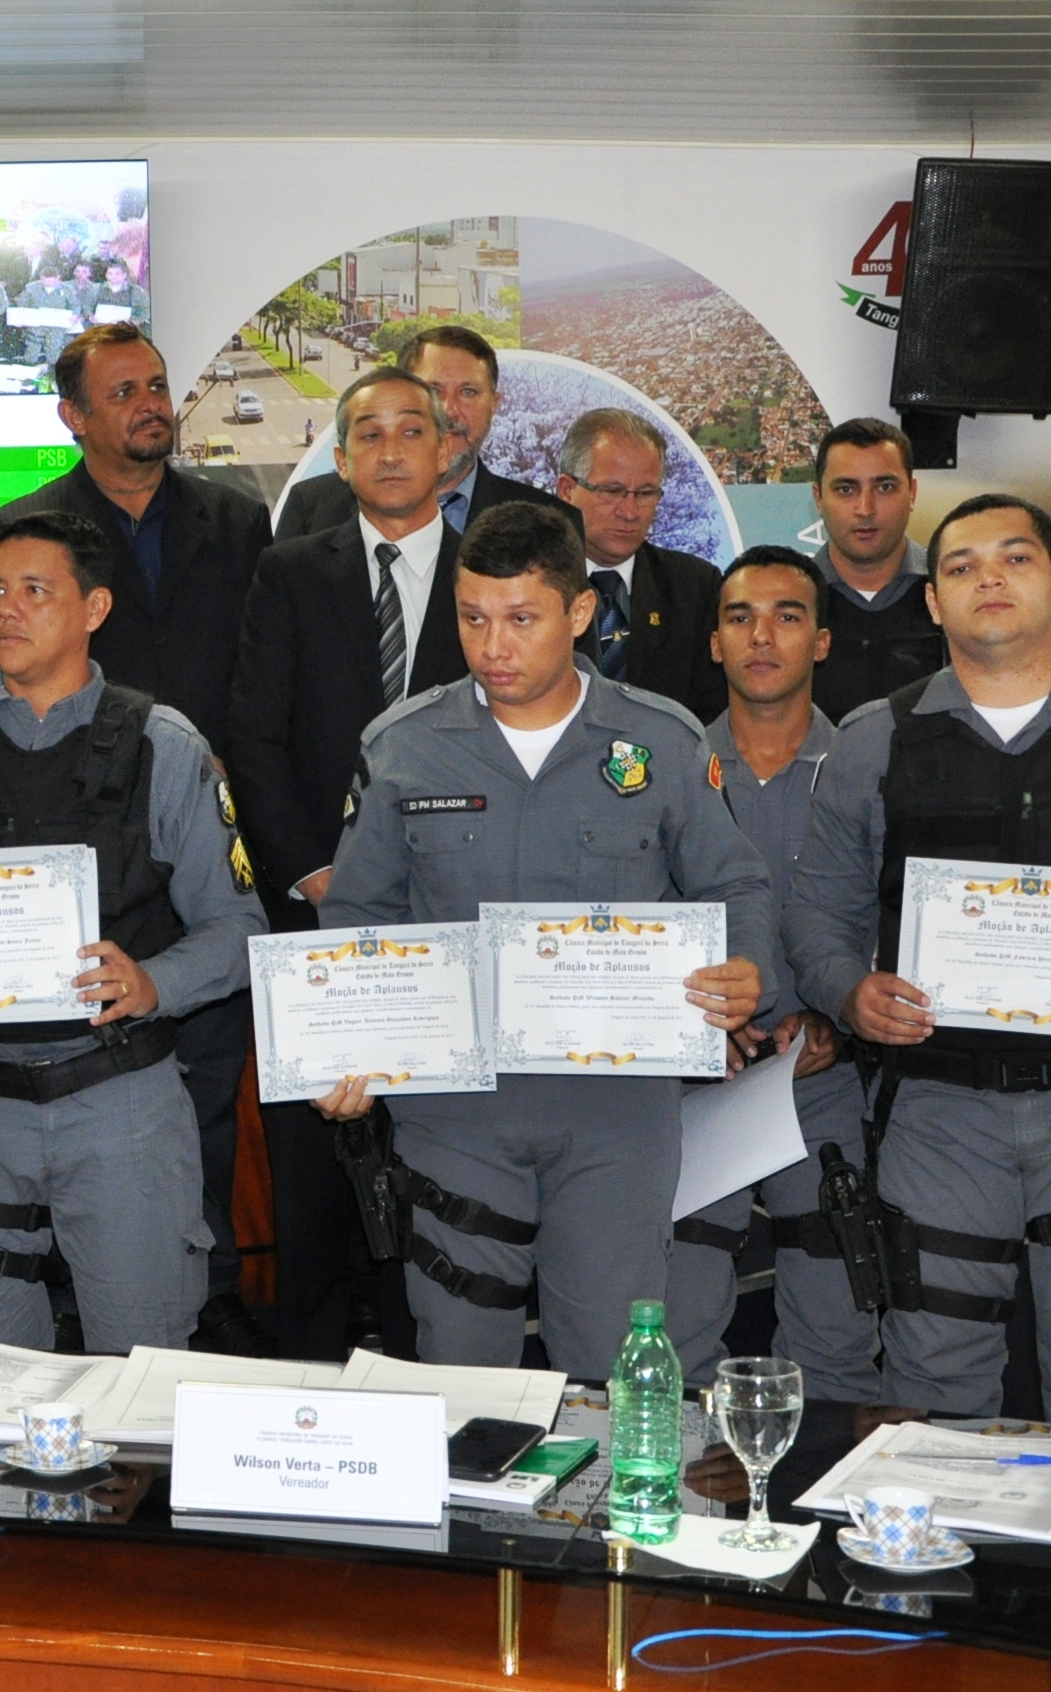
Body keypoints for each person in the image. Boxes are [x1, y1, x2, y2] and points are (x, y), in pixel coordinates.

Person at [311, 502, 774, 1378]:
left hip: (617, 1117)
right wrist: (344, 1049)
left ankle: (603, 1515)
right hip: (454, 1114)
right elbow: (357, 916)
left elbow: (736, 882)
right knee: (462, 1367)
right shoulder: (404, 749)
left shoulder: (660, 741)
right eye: (473, 618)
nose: (493, 647)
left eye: (521, 619)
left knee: (611, 1358)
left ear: (579, 613)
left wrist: (750, 971)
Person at [787, 495, 1051, 1435]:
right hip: (938, 1113)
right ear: (934, 604)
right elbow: (815, 914)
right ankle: (944, 1581)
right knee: (933, 1394)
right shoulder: (875, 740)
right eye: (963, 566)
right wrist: (849, 990)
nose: (990, 579)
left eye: (1014, 558)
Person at [0, 510, 267, 1353]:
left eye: (35, 591)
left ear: (95, 608)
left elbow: (236, 931)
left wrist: (155, 984)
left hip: (118, 1102)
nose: (7, 609)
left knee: (141, 1371)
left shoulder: (163, 746)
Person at [0, 319, 277, 1349]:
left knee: (199, 1067)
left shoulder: (236, 522)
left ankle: (201, 1295)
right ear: (73, 416)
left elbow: (262, 682)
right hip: (79, 848)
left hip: (197, 826)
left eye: (157, 386)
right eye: (124, 392)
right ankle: (83, 1295)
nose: (151, 404)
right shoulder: (26, 530)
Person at [221, 365, 463, 1360]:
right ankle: (308, 1392)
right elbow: (254, 735)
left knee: (435, 1180)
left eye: (414, 429)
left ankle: (429, 1377)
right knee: (313, 1181)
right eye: (371, 433)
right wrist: (316, 871)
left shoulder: (490, 574)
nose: (394, 448)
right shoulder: (293, 569)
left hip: (450, 925)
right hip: (315, 920)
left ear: (449, 451)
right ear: (342, 456)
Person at [658, 549, 879, 1399]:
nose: (762, 635)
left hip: (826, 1078)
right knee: (671, 1337)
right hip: (700, 1081)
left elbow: (895, 917)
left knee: (836, 1330)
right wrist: (697, 1033)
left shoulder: (866, 765)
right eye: (740, 616)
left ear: (822, 641)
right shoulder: (662, 766)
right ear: (713, 642)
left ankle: (817, 1517)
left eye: (788, 615)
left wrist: (837, 1016)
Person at [275, 325, 566, 542]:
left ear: (495, 405)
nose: (449, 410)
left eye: (468, 392)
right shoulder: (312, 508)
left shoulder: (548, 522)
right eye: (433, 390)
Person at [558, 407, 726, 725]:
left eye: (646, 493)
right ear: (567, 489)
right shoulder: (529, 583)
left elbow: (712, 712)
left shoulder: (695, 587)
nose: (630, 511)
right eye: (612, 491)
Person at [806, 417, 943, 724]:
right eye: (845, 489)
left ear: (912, 493)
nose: (865, 508)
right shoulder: (791, 602)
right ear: (818, 498)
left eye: (884, 487)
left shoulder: (953, 594)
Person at [17, 265, 78, 371]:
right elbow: (22, 304)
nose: (49, 283)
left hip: (57, 324)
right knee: (32, 348)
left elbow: (75, 305)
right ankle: (28, 370)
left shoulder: (67, 289)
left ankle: (53, 372)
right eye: (46, 280)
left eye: (52, 281)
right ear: (41, 278)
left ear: (58, 277)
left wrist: (74, 315)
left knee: (53, 349)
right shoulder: (31, 287)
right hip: (36, 324)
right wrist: (21, 318)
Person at [89, 260, 148, 334]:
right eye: (110, 273)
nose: (113, 276)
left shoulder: (135, 291)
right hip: (101, 329)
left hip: (125, 330)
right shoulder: (97, 289)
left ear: (124, 275)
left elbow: (146, 309)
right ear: (106, 275)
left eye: (117, 274)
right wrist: (90, 316)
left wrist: (136, 321)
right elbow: (88, 305)